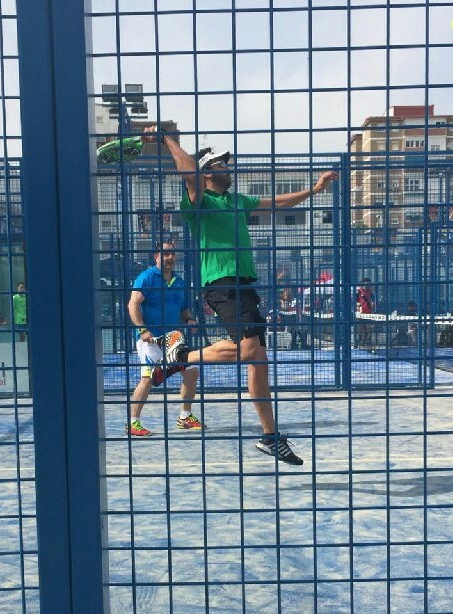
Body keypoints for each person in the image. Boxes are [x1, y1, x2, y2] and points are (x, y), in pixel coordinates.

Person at [142, 125, 338, 465]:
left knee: (258, 360)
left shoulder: (236, 201)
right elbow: (189, 175)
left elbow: (278, 202)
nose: (226, 168)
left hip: (244, 286)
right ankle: (181, 357)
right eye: (219, 164)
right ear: (206, 173)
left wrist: (315, 189)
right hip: (222, 283)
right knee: (249, 350)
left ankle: (270, 436)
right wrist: (166, 139)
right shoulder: (198, 201)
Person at [126, 241, 203, 436]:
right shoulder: (146, 277)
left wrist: (189, 319)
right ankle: (133, 423)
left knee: (192, 372)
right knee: (147, 378)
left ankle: (185, 417)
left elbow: (184, 309)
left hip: (173, 339)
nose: (170, 257)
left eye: (173, 254)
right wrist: (143, 330)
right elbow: (133, 304)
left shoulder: (180, 282)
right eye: (166, 254)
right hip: (150, 340)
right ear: (156, 256)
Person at [355, 277, 375, 348]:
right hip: (361, 313)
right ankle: (359, 341)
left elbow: (373, 300)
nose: (367, 286)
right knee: (360, 328)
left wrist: (373, 303)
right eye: (365, 284)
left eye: (368, 284)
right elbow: (355, 301)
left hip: (369, 313)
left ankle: (367, 341)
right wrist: (358, 305)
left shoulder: (370, 292)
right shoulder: (358, 292)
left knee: (369, 328)